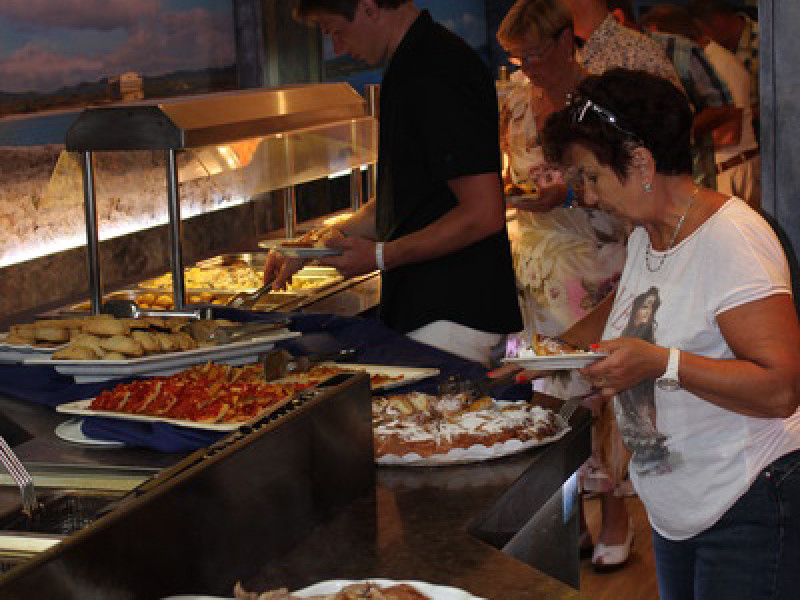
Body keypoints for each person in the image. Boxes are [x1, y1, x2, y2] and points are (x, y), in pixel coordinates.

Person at [540, 67, 800, 599]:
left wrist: (661, 363)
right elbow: (635, 308)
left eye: (591, 176)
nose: (586, 196)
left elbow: (781, 389)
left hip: (748, 500)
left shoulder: (732, 239)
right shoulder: (647, 235)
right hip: (678, 506)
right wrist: (547, 352)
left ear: (640, 163)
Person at [266, 0, 523, 367]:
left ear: (369, 8)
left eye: (337, 32)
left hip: (450, 316)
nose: (337, 49)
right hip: (433, 314)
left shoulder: (435, 70)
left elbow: (483, 213)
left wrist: (379, 256)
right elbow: (403, 202)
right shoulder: (410, 65)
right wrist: (311, 247)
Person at [495, 0, 628, 571]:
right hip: (533, 264)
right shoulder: (514, 102)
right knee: (548, 396)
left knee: (601, 392)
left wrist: (569, 194)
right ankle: (567, 517)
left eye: (533, 54)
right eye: (516, 57)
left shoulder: (601, 100)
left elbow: (624, 184)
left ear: (565, 40)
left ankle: (617, 516)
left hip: (593, 257)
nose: (525, 67)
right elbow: (509, 171)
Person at [641, 4, 760, 210]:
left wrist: (678, 139)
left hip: (730, 170)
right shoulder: (709, 61)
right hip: (723, 169)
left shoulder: (719, 63)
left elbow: (730, 131)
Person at [689, 0, 759, 134]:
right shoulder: (712, 49)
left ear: (718, 22)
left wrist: (741, 115)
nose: (702, 38)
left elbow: (785, 100)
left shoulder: (767, 40)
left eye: (701, 31)